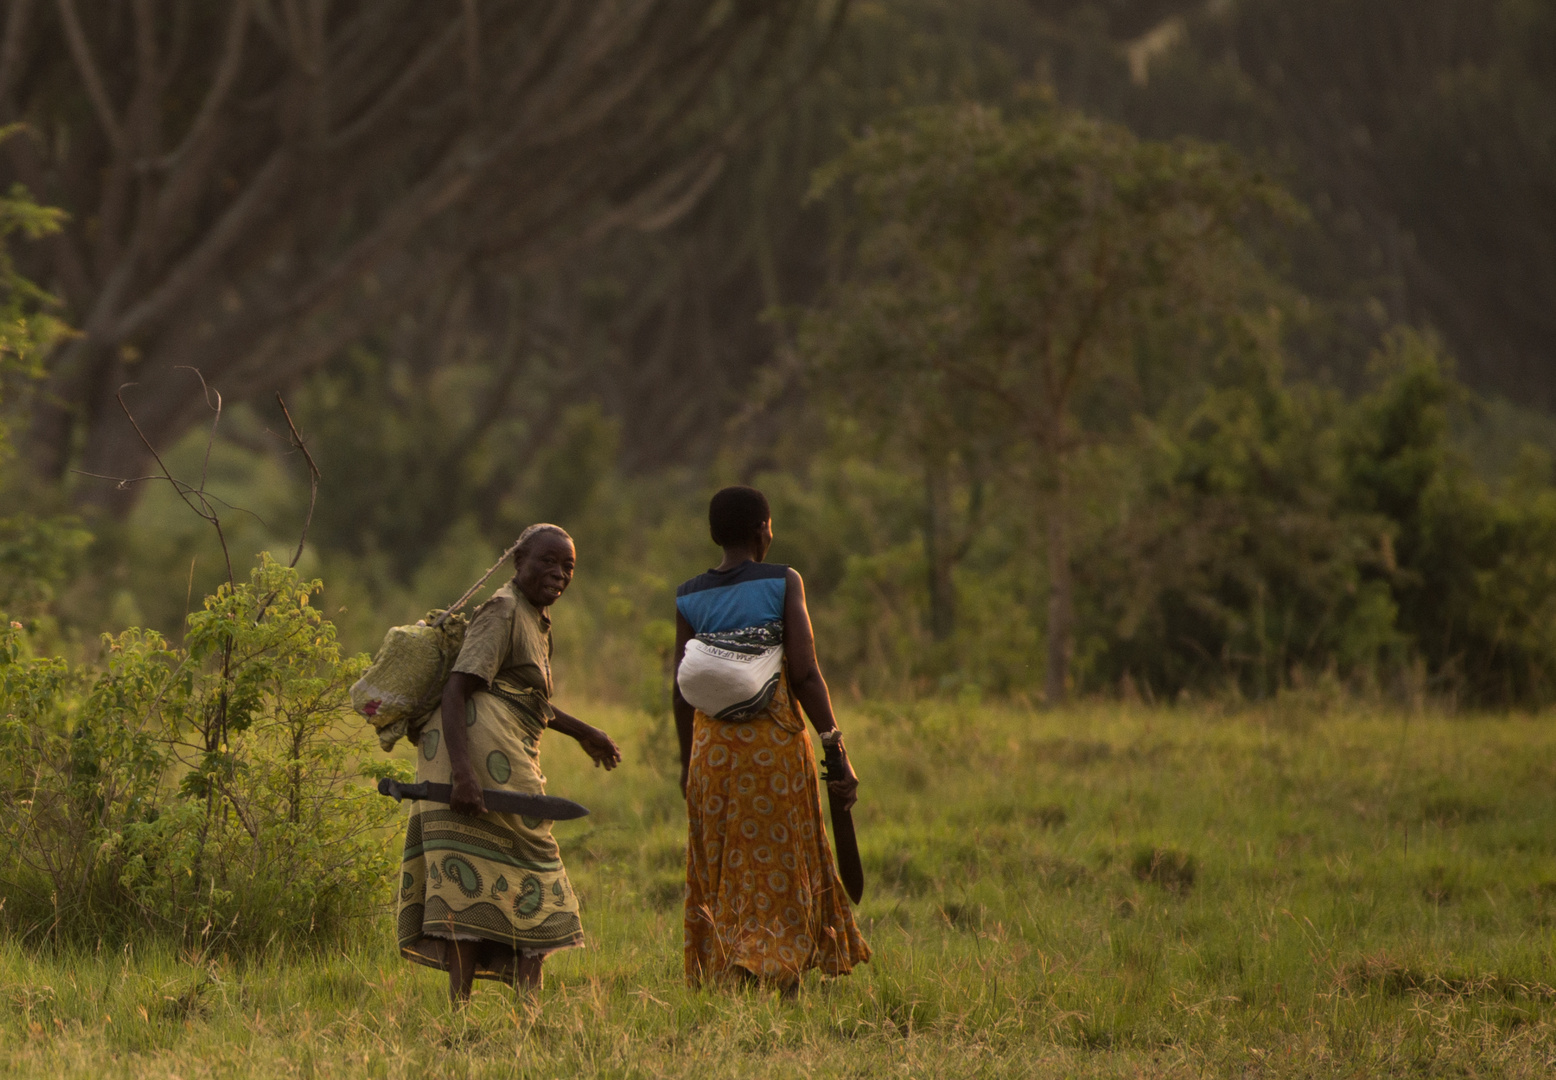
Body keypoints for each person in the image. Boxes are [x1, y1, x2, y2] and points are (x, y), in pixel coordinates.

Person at [397, 523, 621, 1002]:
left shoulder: (534, 618)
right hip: (473, 767)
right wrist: (464, 776)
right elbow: (458, 691)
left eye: (568, 566)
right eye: (548, 561)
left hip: (508, 762)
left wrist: (585, 732)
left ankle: (527, 1014)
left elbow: (524, 699)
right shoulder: (502, 610)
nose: (559, 574)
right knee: (496, 887)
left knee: (505, 886)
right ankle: (463, 1014)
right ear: (518, 560)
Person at [673, 486, 871, 990]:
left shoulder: (689, 595)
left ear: (715, 534)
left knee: (724, 863)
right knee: (778, 859)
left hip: (710, 755)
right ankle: (775, 970)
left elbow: (680, 692)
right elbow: (804, 674)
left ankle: (728, 966)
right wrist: (834, 746)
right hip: (773, 750)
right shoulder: (783, 581)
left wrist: (685, 764)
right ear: (763, 529)